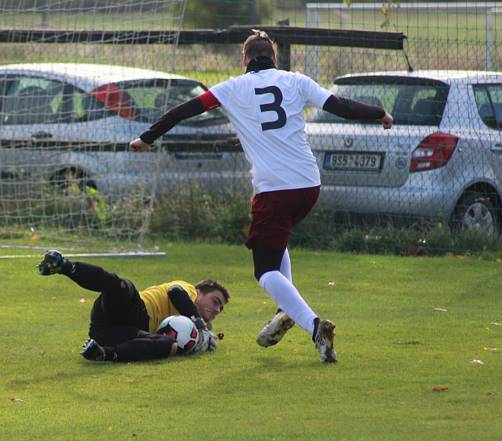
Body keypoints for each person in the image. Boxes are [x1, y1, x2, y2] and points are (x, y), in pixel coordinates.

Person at [129, 30, 393, 364]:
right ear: (274, 58)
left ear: (245, 59)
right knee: (277, 242)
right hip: (309, 185)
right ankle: (286, 311)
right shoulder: (296, 80)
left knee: (265, 270)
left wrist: (147, 138)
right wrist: (379, 113)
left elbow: (184, 111)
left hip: (274, 189)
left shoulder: (231, 88)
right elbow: (340, 105)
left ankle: (314, 326)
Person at [38, 250, 229, 362]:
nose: (216, 310)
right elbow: (175, 293)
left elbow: (184, 341)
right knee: (120, 286)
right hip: (134, 309)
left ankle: (103, 353)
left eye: (220, 309)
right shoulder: (188, 290)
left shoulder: (196, 327)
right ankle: (64, 266)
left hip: (111, 332)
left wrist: (200, 342)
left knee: (168, 345)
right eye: (215, 301)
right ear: (200, 291)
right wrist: (201, 326)